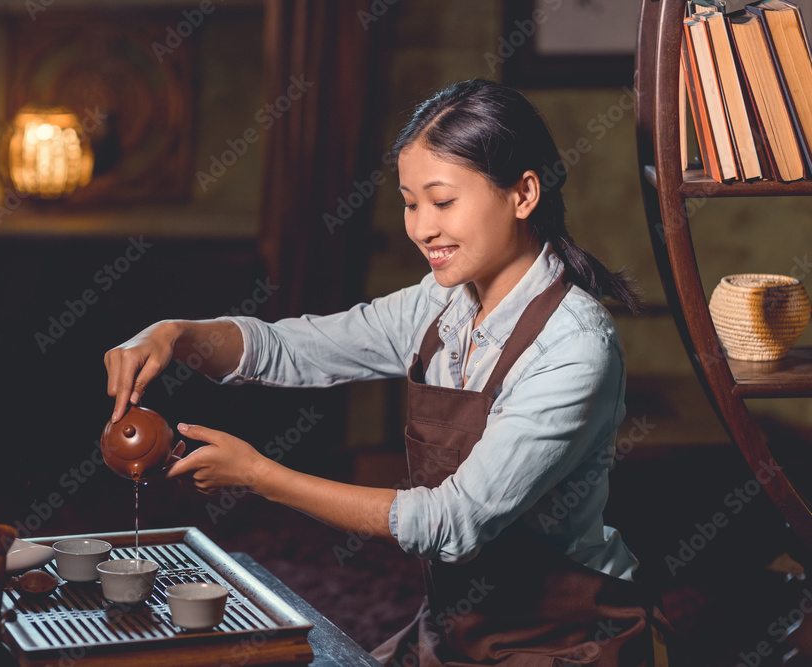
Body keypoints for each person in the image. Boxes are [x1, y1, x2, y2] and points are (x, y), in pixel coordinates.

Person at [104, 79, 665, 665]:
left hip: (566, 638)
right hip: (455, 628)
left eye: (442, 201)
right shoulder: (438, 305)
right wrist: (178, 332)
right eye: (409, 201)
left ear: (524, 193)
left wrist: (260, 476)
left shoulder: (573, 346)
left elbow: (450, 523)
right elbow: (296, 348)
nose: (422, 228)